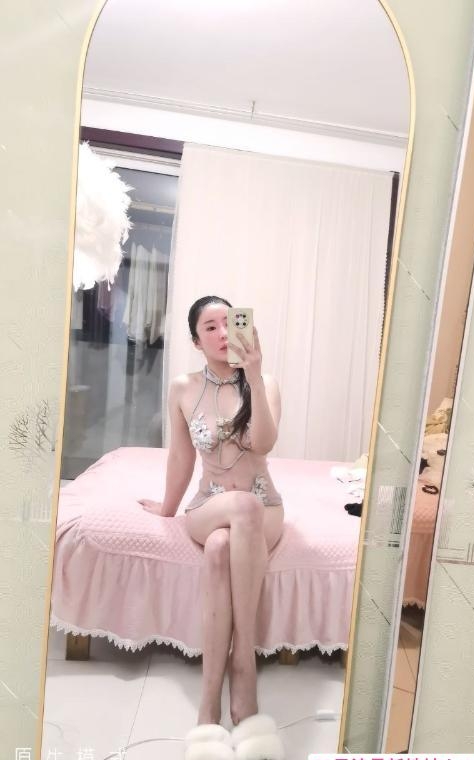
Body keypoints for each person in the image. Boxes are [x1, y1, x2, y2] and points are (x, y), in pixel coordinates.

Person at [138, 295, 285, 758]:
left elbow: (263, 444)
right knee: (235, 511)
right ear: (195, 340)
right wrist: (167, 508)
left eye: (229, 323)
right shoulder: (183, 388)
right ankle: (244, 666)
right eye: (210, 327)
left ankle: (210, 701)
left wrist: (254, 377)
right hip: (208, 504)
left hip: (264, 508)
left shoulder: (265, 382)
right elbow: (181, 457)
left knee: (222, 545)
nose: (223, 334)